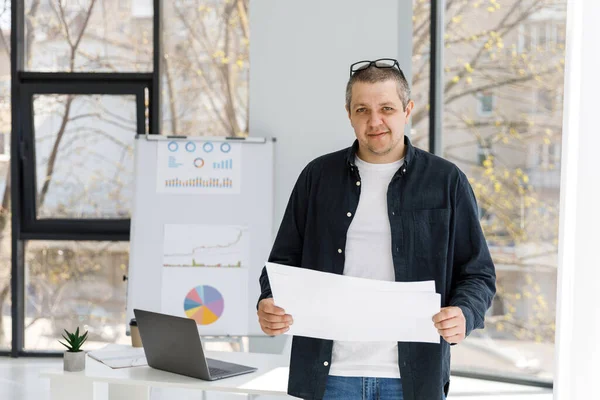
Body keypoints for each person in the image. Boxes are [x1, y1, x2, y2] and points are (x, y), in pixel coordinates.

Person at [257, 58, 496, 400]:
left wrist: (465, 313)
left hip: (412, 379)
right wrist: (269, 301)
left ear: (407, 109)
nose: (375, 121)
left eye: (386, 108)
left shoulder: (446, 181)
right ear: (349, 114)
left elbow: (478, 273)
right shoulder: (317, 177)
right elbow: (281, 263)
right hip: (330, 377)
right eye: (362, 110)